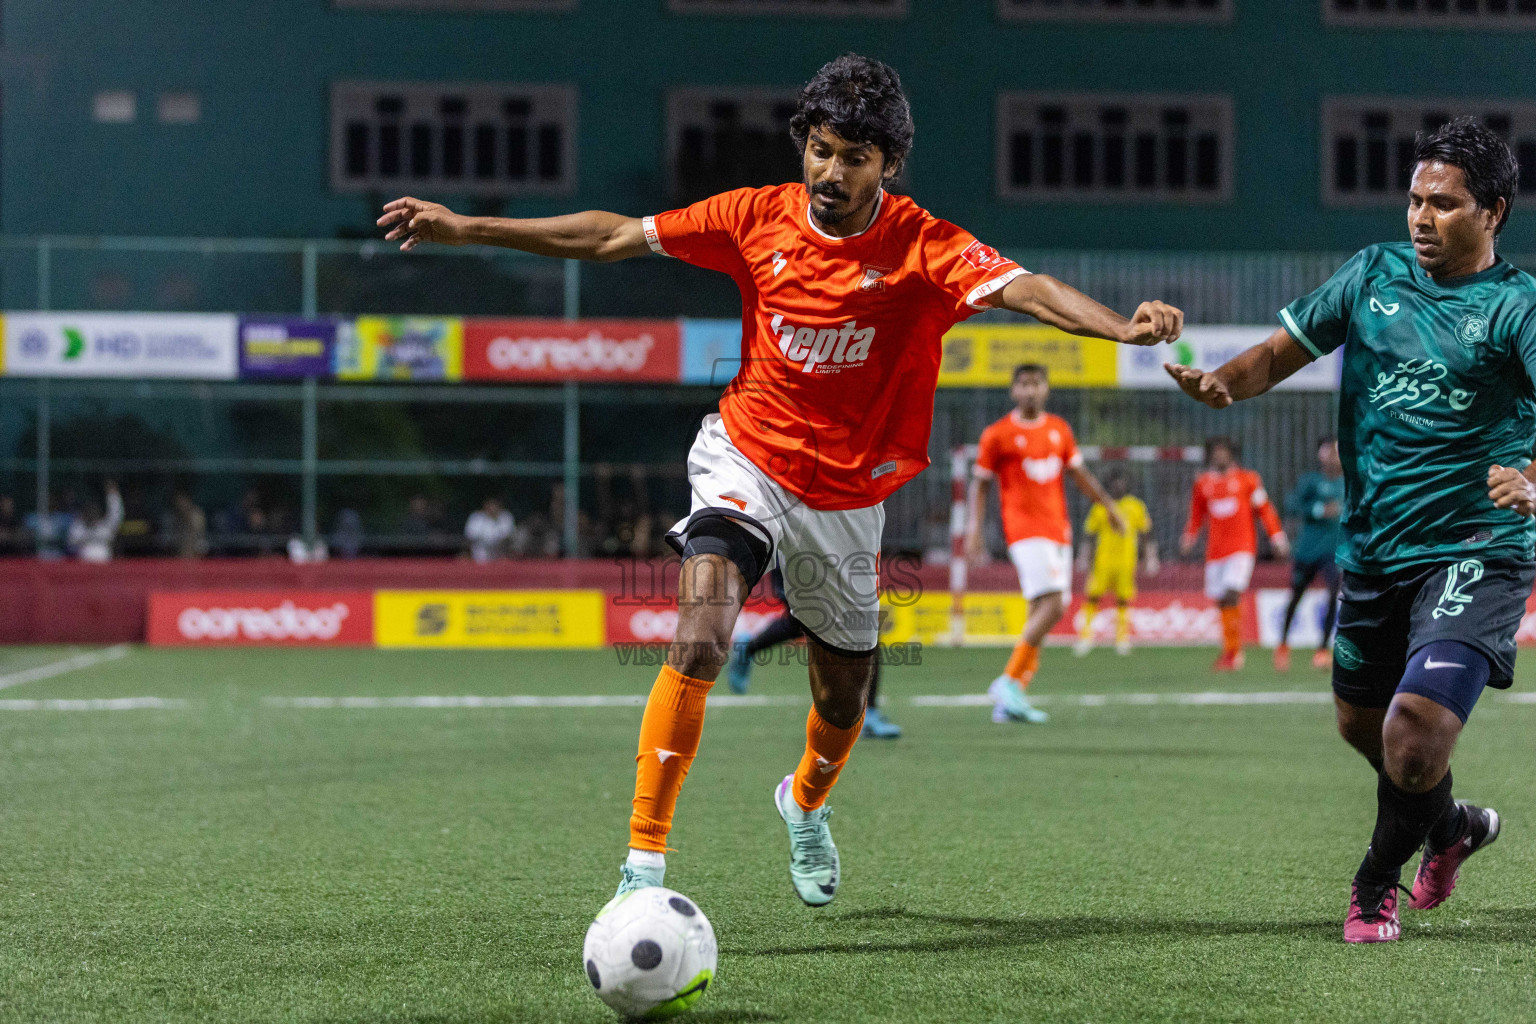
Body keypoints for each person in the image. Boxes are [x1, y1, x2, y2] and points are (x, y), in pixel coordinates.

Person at [379, 53, 1182, 907]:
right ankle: (641, 868)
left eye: (855, 158)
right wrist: (470, 229)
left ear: (889, 166)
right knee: (701, 628)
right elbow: (613, 236)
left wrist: (1119, 328)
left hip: (845, 497)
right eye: (822, 149)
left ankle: (803, 805)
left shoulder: (922, 245)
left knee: (842, 699)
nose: (831, 172)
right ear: (805, 143)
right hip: (747, 457)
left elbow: (1028, 289)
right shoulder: (753, 217)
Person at [1167, 117, 1534, 944]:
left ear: (1495, 212)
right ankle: (1450, 826)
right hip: (1373, 550)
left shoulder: (1518, 308)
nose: (1420, 218)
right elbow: (1277, 352)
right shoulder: (1372, 275)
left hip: (1477, 546)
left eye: (1444, 204)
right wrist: (1223, 383)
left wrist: (1533, 478)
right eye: (1414, 200)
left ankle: (1375, 885)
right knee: (1359, 726)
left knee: (1414, 734)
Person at [966, 365, 1125, 724]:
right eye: (1023, 384)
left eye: (1036, 384)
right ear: (1013, 391)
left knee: (1039, 607)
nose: (1030, 391)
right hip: (1024, 529)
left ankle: (1012, 699)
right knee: (1056, 604)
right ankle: (1008, 681)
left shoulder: (1059, 430)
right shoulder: (998, 435)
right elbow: (980, 484)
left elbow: (1079, 474)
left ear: (1047, 389)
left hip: (1058, 530)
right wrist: (973, 530)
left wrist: (1108, 506)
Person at [726, 568, 903, 738]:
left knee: (865, 622)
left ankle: (867, 712)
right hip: (799, 552)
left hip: (839, 553)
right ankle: (749, 648)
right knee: (801, 620)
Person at [1179, 438, 1290, 671]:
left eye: (1223, 452)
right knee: (1221, 599)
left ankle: (1235, 650)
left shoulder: (1248, 480)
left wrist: (1277, 536)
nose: (1219, 456)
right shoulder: (1203, 483)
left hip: (1242, 549)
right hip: (1215, 552)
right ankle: (1231, 651)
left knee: (1232, 592)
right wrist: (1189, 536)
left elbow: (1265, 510)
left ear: (1231, 455)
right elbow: (1197, 514)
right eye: (1215, 452)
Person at [1276, 437, 1345, 671]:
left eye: (1337, 451)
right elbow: (1292, 503)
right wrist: (1318, 509)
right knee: (1296, 596)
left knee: (1333, 596)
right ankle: (1283, 645)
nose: (1334, 456)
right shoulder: (1311, 481)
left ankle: (1322, 650)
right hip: (1307, 550)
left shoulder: (1348, 483)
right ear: (1321, 456)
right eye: (1329, 452)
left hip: (1333, 552)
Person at [1074, 470, 1158, 657]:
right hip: (1102, 562)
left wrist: (1150, 557)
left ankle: (1122, 639)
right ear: (1109, 485)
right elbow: (1089, 534)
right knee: (1092, 597)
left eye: (1121, 482)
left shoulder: (1135, 506)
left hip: (1126, 563)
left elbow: (1146, 533)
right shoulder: (1100, 506)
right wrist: (1084, 557)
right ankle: (1085, 637)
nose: (1118, 486)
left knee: (1123, 600)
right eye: (1114, 482)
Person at [68, 480, 124, 563]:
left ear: (99, 514)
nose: (92, 514)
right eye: (90, 512)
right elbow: (71, 541)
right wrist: (85, 526)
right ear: (86, 513)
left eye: (94, 512)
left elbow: (116, 515)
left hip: (104, 564)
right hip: (84, 565)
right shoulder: (80, 527)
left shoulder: (106, 527)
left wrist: (113, 495)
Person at [465, 497, 515, 562]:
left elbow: (509, 534)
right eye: (490, 505)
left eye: (494, 505)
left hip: (501, 552)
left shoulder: (506, 517)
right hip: (481, 551)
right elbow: (470, 535)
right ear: (485, 506)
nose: (492, 508)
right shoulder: (476, 517)